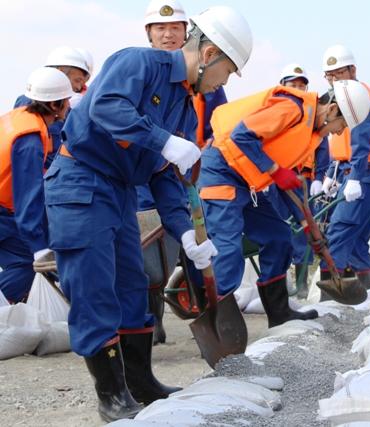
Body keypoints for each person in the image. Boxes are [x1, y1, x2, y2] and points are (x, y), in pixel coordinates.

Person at [44, 6, 251, 421]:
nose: (222, 83)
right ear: (209, 53)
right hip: (82, 180)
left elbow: (164, 178)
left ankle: (140, 382)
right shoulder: (137, 62)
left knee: (132, 285)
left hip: (120, 192)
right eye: (226, 71)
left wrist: (186, 233)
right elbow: (107, 107)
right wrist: (162, 141)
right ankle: (111, 394)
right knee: (94, 285)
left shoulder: (185, 109)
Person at [199, 80, 370, 326]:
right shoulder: (293, 108)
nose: (339, 131)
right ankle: (217, 323)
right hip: (221, 169)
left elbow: (287, 184)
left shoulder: (309, 134)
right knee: (228, 249)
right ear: (332, 109)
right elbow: (241, 136)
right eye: (342, 124)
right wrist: (274, 169)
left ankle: (279, 313)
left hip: (248, 180)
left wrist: (305, 221)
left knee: (279, 237)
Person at [138, 0, 229, 344]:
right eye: (160, 28)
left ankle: (207, 308)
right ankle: (152, 319)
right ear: (149, 34)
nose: (168, 34)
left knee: (194, 236)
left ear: (187, 35)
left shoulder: (209, 80)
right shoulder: (145, 72)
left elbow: (219, 124)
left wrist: (199, 154)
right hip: (145, 174)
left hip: (188, 171)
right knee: (149, 252)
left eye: (175, 28)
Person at [319, 45, 370, 289]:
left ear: (353, 70)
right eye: (330, 75)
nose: (335, 79)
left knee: (338, 232)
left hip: (362, 175)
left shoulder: (356, 97)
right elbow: (341, 141)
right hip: (362, 174)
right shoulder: (344, 97)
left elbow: (361, 140)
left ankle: (331, 293)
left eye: (339, 73)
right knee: (358, 241)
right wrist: (331, 174)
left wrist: (355, 176)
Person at [0, 68, 73, 303]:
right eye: (66, 99)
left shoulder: (18, 116)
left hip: (4, 210)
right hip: (3, 212)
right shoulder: (29, 139)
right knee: (27, 264)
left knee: (20, 262)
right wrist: (39, 247)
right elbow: (27, 198)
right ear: (54, 105)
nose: (69, 104)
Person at [264, 63, 330, 298]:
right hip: (276, 181)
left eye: (302, 85)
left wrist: (320, 179)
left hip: (304, 183)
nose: (299, 89)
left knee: (303, 232)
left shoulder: (312, 116)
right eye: (293, 85)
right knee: (279, 229)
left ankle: (301, 284)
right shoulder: (276, 113)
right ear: (283, 87)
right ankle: (279, 281)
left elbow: (322, 148)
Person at [14, 46, 92, 168]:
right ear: (60, 72)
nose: (78, 88)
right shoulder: (29, 103)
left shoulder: (68, 111)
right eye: (77, 80)